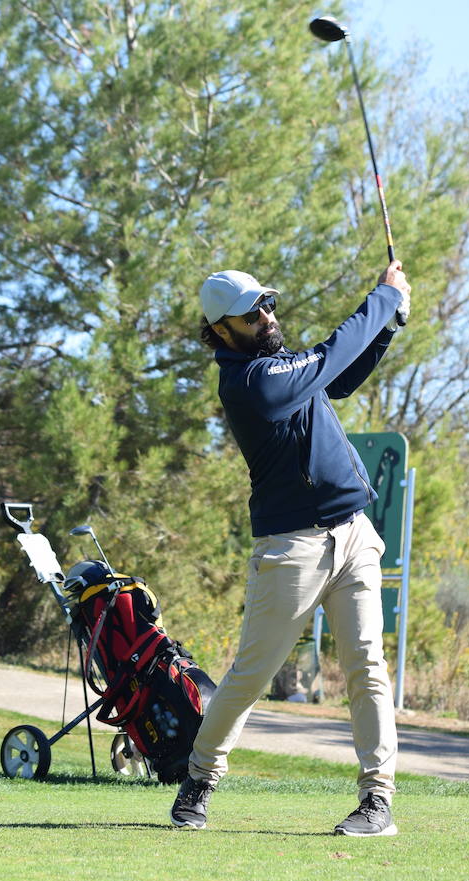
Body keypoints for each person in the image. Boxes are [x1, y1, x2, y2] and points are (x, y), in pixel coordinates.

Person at [171, 260, 411, 837]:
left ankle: (377, 800)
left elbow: (340, 375)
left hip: (353, 534)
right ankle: (199, 779)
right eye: (252, 313)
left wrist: (389, 324)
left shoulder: (281, 368)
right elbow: (329, 355)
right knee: (251, 675)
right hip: (292, 548)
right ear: (220, 330)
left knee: (367, 668)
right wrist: (382, 298)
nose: (266, 315)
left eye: (267, 304)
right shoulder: (250, 383)